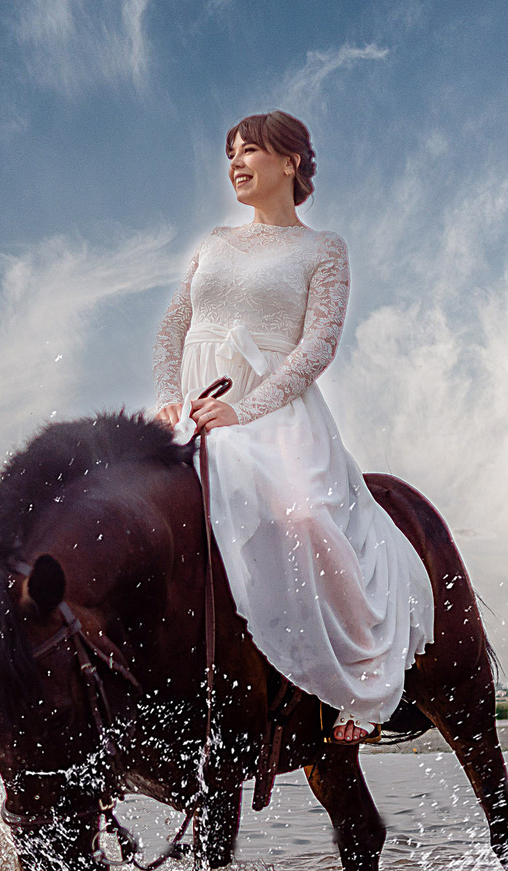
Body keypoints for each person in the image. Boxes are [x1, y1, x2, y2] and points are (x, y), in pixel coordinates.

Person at [151, 111, 436, 742]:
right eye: (230, 152)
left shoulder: (324, 249)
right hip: (196, 411)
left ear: (290, 162)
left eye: (250, 150)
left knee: (305, 518)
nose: (236, 162)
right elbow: (173, 328)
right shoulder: (213, 243)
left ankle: (363, 678)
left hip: (276, 416)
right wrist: (171, 400)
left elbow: (318, 346)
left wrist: (246, 410)